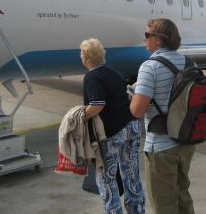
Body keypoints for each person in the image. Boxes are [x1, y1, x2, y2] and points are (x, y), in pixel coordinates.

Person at [130, 18, 196, 214]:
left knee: (164, 206)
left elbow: (137, 111)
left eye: (147, 35)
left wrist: (132, 97)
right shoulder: (190, 62)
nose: (144, 40)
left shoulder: (150, 67)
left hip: (161, 147)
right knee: (183, 196)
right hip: (186, 140)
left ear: (159, 40)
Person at [80, 38, 145, 214]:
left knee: (107, 179)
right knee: (131, 174)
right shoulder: (113, 72)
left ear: (86, 57)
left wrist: (80, 115)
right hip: (131, 127)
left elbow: (98, 104)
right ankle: (137, 210)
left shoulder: (92, 76)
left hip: (112, 134)